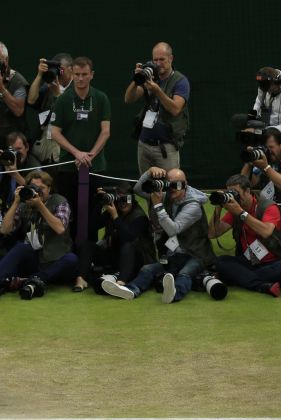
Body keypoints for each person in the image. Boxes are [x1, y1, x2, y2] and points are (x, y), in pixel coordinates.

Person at [101, 167, 215, 303]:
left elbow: (173, 230)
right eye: (168, 183)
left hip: (196, 254)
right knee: (148, 269)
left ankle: (175, 293)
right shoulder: (168, 196)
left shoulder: (193, 205)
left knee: (185, 273)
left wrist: (158, 206)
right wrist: (149, 172)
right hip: (175, 254)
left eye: (176, 184)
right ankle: (131, 290)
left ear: (184, 184)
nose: (171, 188)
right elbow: (138, 190)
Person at [0, 170, 77, 299]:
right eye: (35, 188)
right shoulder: (24, 205)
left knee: (71, 259)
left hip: (56, 259)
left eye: (42, 188)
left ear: (49, 188)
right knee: (20, 247)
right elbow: (4, 230)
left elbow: (60, 228)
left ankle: (32, 280)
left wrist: (40, 206)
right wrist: (16, 201)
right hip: (36, 258)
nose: (38, 191)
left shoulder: (60, 201)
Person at [50, 56, 111, 241]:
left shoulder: (101, 98)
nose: (81, 78)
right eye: (77, 74)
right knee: (69, 211)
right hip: (69, 166)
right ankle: (69, 253)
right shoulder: (63, 100)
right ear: (71, 74)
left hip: (95, 165)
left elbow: (106, 131)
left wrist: (90, 155)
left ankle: (90, 255)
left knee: (93, 211)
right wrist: (77, 153)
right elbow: (55, 132)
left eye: (85, 74)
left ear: (92, 75)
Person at [208, 174, 281, 297]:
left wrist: (241, 213)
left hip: (274, 261)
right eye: (230, 192)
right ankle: (261, 286)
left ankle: (238, 277)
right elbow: (212, 233)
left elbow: (266, 231)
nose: (234, 197)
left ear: (247, 191)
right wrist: (218, 208)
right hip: (249, 262)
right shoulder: (235, 211)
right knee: (221, 261)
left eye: (236, 192)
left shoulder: (267, 207)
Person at [73, 183, 154, 292]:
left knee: (127, 246)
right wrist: (100, 203)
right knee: (87, 245)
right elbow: (92, 227)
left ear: (133, 199)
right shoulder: (113, 210)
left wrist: (115, 216)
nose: (123, 203)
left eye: (126, 199)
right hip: (115, 256)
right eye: (119, 199)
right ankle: (81, 279)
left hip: (137, 259)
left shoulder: (140, 217)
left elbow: (127, 237)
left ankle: (121, 282)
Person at [124, 42, 190, 173]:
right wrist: (137, 78)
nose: (158, 63)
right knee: (146, 187)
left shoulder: (180, 81)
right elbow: (128, 99)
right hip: (144, 144)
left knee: (170, 188)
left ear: (170, 58)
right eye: (155, 60)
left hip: (166, 147)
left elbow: (175, 109)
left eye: (162, 59)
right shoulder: (150, 77)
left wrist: (157, 90)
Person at [27, 53, 73, 165]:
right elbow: (31, 100)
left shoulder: (76, 88)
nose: (59, 73)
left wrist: (57, 95)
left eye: (61, 70)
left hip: (65, 142)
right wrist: (39, 75)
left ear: (71, 69)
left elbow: (69, 115)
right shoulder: (49, 86)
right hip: (45, 139)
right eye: (57, 70)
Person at [0, 131, 41, 206]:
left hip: (23, 208)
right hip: (3, 205)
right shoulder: (6, 162)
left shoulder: (34, 167)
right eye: (13, 151)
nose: (16, 154)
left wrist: (15, 174)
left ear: (27, 147)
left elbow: (37, 192)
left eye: (19, 149)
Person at [242, 128, 281, 203]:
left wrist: (266, 168)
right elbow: (245, 184)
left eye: (270, 147)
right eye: (265, 148)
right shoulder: (265, 161)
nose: (268, 151)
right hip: (270, 208)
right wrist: (249, 161)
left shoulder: (265, 165)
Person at [251, 67, 281, 131]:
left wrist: (269, 131)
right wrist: (250, 121)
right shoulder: (263, 88)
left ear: (278, 81)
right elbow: (258, 103)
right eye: (266, 90)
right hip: (267, 129)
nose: (268, 92)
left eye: (271, 89)